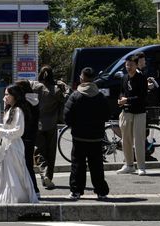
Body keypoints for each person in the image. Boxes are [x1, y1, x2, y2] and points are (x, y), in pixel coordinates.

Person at [0, 84, 39, 204]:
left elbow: (19, 131)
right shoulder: (11, 109)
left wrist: (0, 131)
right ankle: (10, 197)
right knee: (8, 174)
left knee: (13, 174)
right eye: (5, 94)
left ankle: (15, 198)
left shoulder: (18, 110)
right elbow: (10, 127)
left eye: (7, 94)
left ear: (15, 96)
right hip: (7, 146)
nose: (5, 97)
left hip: (14, 146)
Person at [64, 67, 110, 200]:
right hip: (96, 137)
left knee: (78, 164)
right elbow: (107, 115)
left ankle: (76, 191)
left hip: (79, 136)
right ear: (93, 79)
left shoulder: (75, 95)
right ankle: (101, 191)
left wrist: (74, 125)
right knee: (97, 165)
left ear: (82, 78)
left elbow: (67, 116)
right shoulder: (100, 96)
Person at [31, 66, 67, 190]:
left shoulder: (35, 87)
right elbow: (67, 98)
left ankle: (43, 173)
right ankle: (48, 177)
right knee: (51, 152)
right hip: (51, 124)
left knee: (39, 150)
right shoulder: (56, 90)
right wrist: (63, 85)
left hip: (37, 124)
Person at [116, 53, 148, 175]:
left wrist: (127, 100)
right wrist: (120, 100)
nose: (128, 67)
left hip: (139, 112)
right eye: (127, 64)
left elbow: (142, 97)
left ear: (136, 65)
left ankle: (141, 167)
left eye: (131, 65)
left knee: (139, 140)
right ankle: (129, 165)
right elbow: (122, 92)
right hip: (126, 112)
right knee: (126, 140)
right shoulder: (124, 78)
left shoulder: (141, 78)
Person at [16, 80, 40, 197]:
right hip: (32, 136)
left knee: (20, 165)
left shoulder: (23, 103)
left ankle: (29, 191)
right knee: (29, 165)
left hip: (22, 136)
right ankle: (35, 190)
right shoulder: (35, 100)